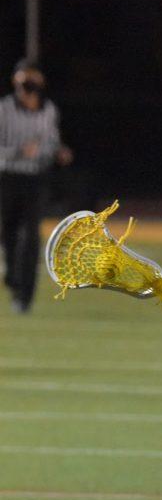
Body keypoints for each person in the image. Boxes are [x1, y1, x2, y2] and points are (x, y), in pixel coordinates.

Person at [0, 59, 73, 313]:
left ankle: (25, 297)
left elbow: (51, 141)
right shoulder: (4, 110)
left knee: (31, 237)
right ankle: (12, 275)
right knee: (8, 234)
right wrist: (18, 152)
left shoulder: (49, 110)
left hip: (35, 181)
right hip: (8, 178)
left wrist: (59, 151)